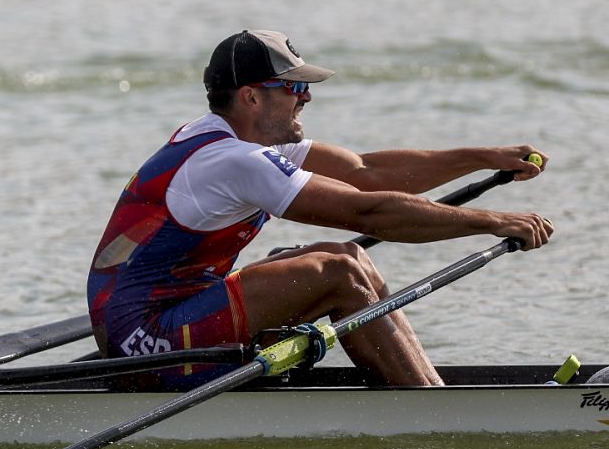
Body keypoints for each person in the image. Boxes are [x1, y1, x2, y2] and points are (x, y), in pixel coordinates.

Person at [87, 29, 553, 388]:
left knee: (349, 256)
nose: (305, 97)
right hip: (146, 344)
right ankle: (430, 409)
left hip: (164, 316)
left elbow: (368, 172)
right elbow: (368, 213)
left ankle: (424, 387)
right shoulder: (234, 160)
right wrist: (492, 222)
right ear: (251, 96)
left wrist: (481, 157)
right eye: (292, 87)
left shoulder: (231, 139)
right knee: (337, 272)